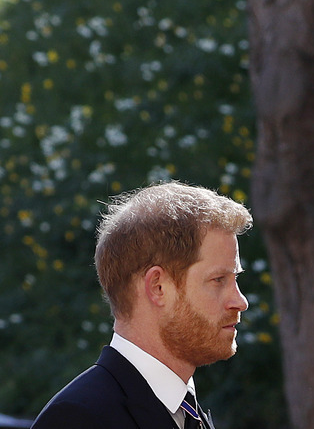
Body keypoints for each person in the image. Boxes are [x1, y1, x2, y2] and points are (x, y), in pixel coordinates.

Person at [31, 181, 252, 429]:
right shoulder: (79, 418)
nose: (240, 301)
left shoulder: (188, 413)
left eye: (235, 279)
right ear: (158, 287)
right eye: (218, 280)